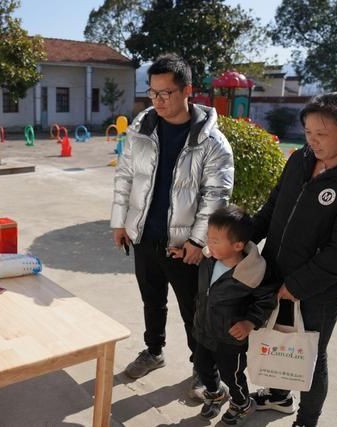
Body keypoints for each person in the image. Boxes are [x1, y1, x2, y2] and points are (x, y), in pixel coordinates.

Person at [249, 92, 337, 427]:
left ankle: (307, 420)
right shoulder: (300, 160)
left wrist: (295, 286)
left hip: (318, 291)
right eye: (308, 133)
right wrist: (242, 239)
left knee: (310, 353)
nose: (313, 141)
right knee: (281, 339)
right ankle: (280, 396)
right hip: (276, 272)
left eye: (321, 134)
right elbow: (273, 207)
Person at [110, 53, 234, 396]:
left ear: (187, 91)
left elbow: (216, 196)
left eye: (166, 93)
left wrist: (197, 242)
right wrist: (120, 222)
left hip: (183, 246)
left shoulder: (211, 142)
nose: (158, 101)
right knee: (152, 300)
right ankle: (154, 351)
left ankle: (203, 368)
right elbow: (124, 178)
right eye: (153, 92)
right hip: (144, 237)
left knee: (195, 309)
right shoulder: (141, 129)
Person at [182, 205, 276, 425]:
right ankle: (215, 394)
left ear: (237, 245)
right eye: (209, 237)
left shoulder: (251, 272)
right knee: (202, 366)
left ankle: (242, 403)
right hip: (204, 328)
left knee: (231, 375)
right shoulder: (209, 258)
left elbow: (266, 300)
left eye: (215, 240)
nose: (209, 243)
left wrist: (249, 322)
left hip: (230, 339)